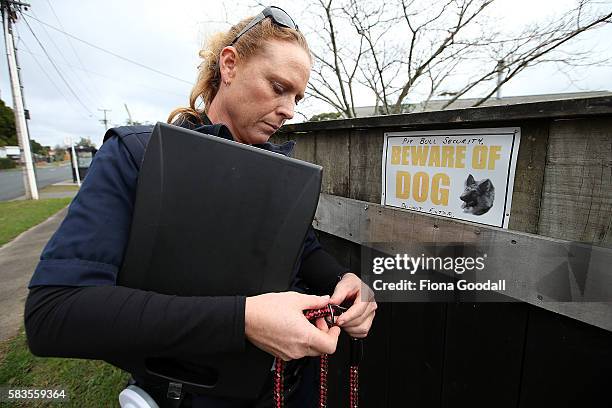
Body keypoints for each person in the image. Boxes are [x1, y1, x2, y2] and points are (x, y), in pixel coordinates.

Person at [24, 6, 376, 407]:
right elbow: (53, 314)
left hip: (293, 389)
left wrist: (344, 281)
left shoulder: (280, 172)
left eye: (297, 96)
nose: (290, 110)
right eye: (278, 87)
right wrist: (242, 320)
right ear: (230, 65)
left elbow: (302, 247)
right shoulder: (139, 156)